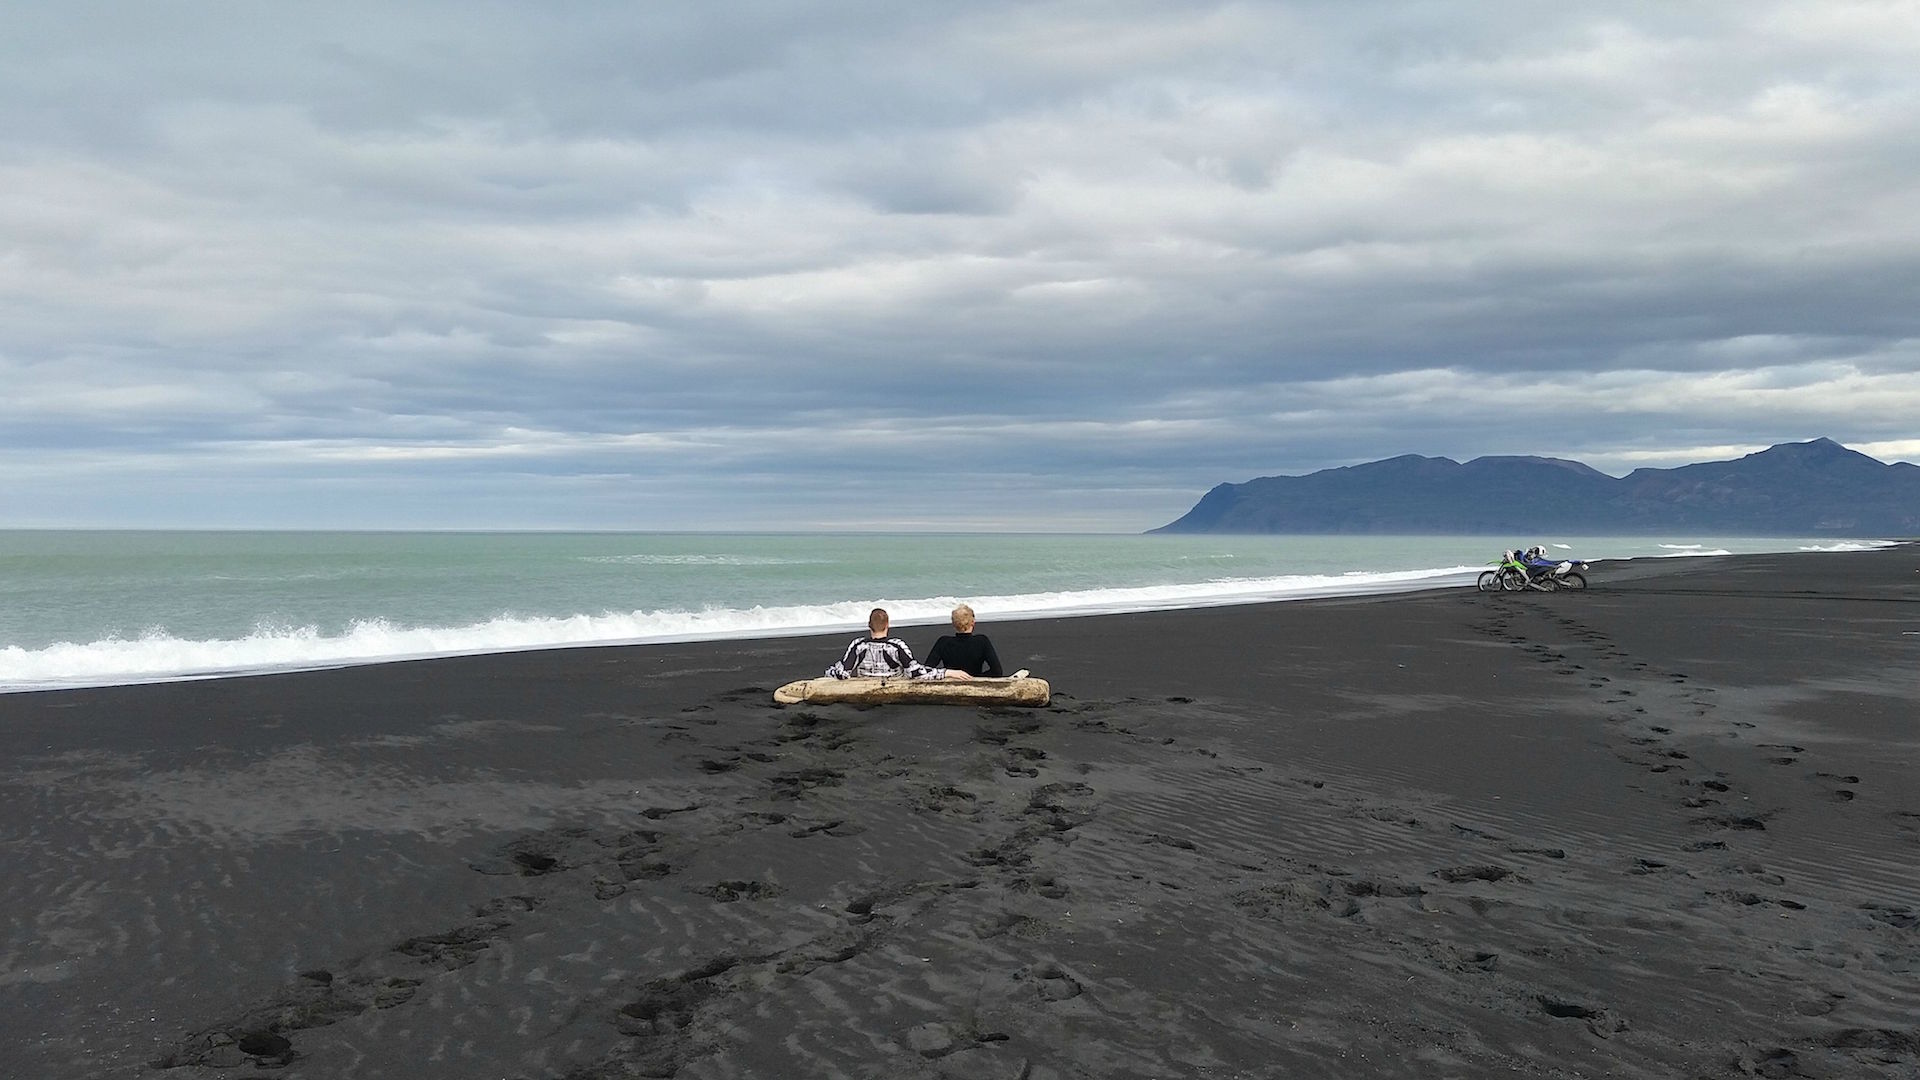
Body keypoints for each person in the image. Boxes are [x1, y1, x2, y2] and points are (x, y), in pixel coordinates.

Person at [824, 608, 944, 680]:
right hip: (894, 689)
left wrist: (829, 671)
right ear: (887, 625)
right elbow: (916, 672)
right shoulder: (896, 646)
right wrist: (946, 672)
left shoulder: (859, 645)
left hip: (865, 689)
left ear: (869, 625)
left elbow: (842, 673)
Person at [923, 603, 1003, 680]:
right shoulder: (982, 641)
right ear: (973, 622)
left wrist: (947, 674)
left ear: (953, 623)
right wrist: (974, 678)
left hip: (951, 685)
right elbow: (997, 671)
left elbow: (927, 670)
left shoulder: (943, 642)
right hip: (975, 685)